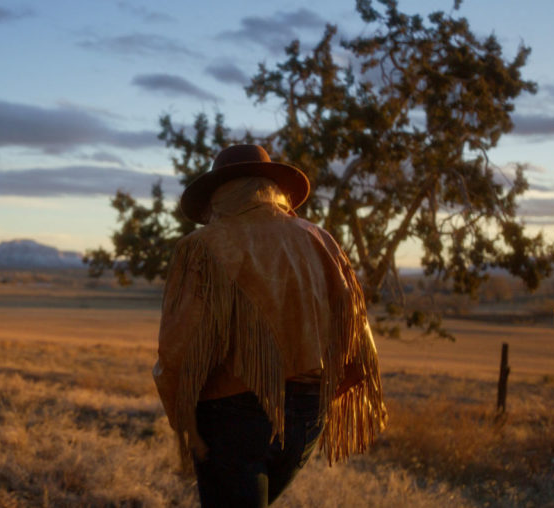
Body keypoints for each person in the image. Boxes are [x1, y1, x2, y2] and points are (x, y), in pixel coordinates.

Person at [153, 144, 387, 507]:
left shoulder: (202, 246)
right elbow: (354, 325)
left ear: (217, 194)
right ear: (271, 188)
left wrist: (181, 413)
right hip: (310, 410)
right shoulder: (319, 239)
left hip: (230, 411)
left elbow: (180, 346)